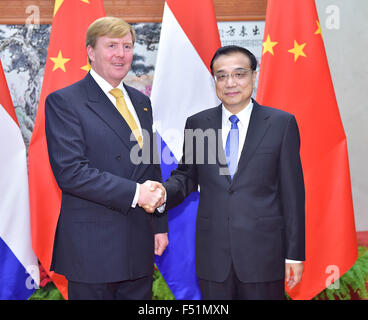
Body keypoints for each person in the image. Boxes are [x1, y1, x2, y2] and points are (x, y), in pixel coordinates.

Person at [149, 45, 305, 300]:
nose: (230, 82)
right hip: (214, 256)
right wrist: (163, 192)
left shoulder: (281, 123)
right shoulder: (198, 123)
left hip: (264, 255)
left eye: (239, 74)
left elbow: (293, 195)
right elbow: (187, 176)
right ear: (215, 81)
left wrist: (294, 254)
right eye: (221, 76)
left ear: (254, 76)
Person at [45, 17, 168, 300]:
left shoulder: (141, 102)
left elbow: (150, 165)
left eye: (127, 46)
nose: (121, 54)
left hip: (138, 244)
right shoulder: (65, 101)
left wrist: (159, 225)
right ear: (91, 52)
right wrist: (137, 193)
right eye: (111, 45)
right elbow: (72, 173)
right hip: (93, 250)